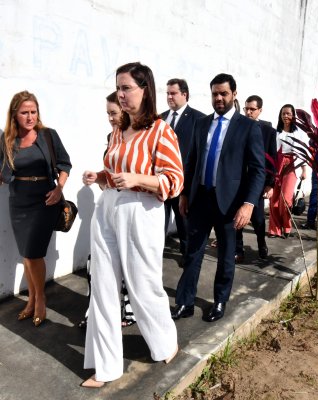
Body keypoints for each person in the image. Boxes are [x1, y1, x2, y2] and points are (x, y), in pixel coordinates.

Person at [81, 62, 183, 387]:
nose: (121, 95)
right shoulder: (117, 129)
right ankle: (105, 366)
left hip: (141, 209)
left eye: (126, 88)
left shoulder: (161, 131)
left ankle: (165, 342)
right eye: (118, 87)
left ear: (145, 89)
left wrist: (138, 178)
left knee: (143, 284)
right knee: (103, 285)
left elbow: (175, 181)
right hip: (108, 205)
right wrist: (100, 177)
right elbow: (113, 170)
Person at [171, 73, 265, 323]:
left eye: (224, 93)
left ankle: (220, 300)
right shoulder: (201, 124)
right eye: (215, 93)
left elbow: (258, 169)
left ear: (234, 94)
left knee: (225, 256)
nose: (219, 98)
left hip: (230, 203)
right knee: (192, 253)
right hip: (200, 198)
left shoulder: (248, 127)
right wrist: (183, 193)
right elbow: (191, 162)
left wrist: (248, 203)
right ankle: (185, 302)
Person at [0, 90, 71, 327]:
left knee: (33, 253)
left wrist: (59, 188)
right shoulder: (7, 140)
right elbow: (3, 174)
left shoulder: (48, 135)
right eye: (24, 113)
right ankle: (31, 300)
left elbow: (64, 164)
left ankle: (39, 299)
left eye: (33, 111)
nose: (30, 117)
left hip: (45, 201)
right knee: (28, 256)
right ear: (14, 115)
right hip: (18, 202)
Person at [78, 91, 135, 329]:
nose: (110, 118)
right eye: (108, 114)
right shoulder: (111, 137)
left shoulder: (139, 139)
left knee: (128, 263)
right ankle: (96, 311)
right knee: (98, 263)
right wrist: (98, 177)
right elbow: (108, 177)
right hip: (109, 208)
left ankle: (129, 309)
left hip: (130, 210)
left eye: (114, 113)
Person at [161, 79, 205, 262]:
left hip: (183, 183)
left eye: (173, 93)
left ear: (184, 94)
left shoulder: (199, 119)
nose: (169, 97)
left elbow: (199, 155)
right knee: (157, 224)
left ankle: (188, 258)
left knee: (184, 224)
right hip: (160, 182)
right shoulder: (160, 118)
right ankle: (155, 254)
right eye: (167, 93)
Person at [235, 95, 276, 262]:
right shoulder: (237, 127)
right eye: (246, 109)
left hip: (256, 183)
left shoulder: (268, 132)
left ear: (260, 110)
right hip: (237, 182)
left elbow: (272, 158)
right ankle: (238, 250)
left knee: (258, 219)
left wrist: (270, 184)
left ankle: (261, 242)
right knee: (236, 217)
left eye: (252, 109)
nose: (249, 112)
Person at [268, 104, 307, 238]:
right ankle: (274, 229)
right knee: (274, 197)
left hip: (291, 165)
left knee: (286, 198)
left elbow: (302, 153)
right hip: (276, 164)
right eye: (283, 113)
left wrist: (304, 170)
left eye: (288, 114)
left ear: (293, 115)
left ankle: (286, 226)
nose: (285, 116)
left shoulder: (298, 133)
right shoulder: (276, 132)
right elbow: (271, 151)